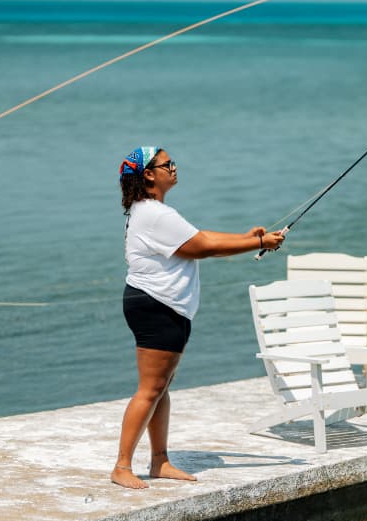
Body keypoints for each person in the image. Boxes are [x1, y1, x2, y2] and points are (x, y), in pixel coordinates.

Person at [111, 145, 284, 489]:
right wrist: (259, 242)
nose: (174, 168)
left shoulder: (153, 211)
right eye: (167, 164)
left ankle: (160, 461)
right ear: (148, 174)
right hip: (156, 306)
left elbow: (200, 237)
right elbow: (205, 247)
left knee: (160, 388)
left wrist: (248, 238)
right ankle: (122, 467)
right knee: (150, 389)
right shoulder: (154, 214)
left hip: (162, 306)